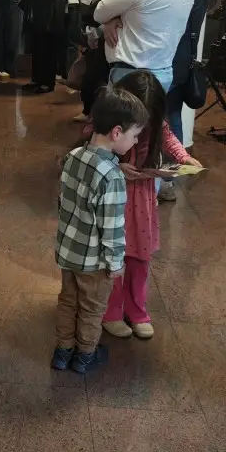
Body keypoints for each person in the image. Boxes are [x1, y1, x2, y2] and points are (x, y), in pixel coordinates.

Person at [98, 71, 203, 340]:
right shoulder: (108, 120)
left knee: (140, 257)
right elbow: (93, 149)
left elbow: (168, 137)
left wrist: (184, 157)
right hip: (115, 198)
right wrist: (116, 165)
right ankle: (111, 311)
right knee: (113, 255)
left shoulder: (157, 124)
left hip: (142, 200)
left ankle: (137, 310)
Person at [53, 86, 148, 374]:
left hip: (68, 251)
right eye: (135, 135)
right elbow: (112, 227)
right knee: (92, 309)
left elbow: (63, 202)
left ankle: (63, 351)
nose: (135, 141)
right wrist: (116, 263)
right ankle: (85, 355)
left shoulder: (72, 157)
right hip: (94, 262)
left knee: (68, 302)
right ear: (117, 132)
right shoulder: (112, 177)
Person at [167, 0, 221, 143]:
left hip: (176, 54)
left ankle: (173, 161)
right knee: (172, 114)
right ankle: (174, 160)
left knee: (169, 116)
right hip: (183, 54)